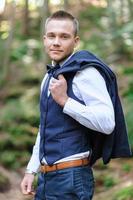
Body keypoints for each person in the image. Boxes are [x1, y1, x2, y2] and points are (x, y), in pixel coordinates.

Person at [21, 10, 131, 200]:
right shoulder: (47, 78)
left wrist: (65, 101)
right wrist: (32, 170)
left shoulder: (86, 73)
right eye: (51, 36)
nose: (56, 42)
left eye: (64, 36)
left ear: (76, 41)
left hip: (72, 177)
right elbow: (45, 127)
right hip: (46, 178)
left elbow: (107, 122)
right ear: (44, 39)